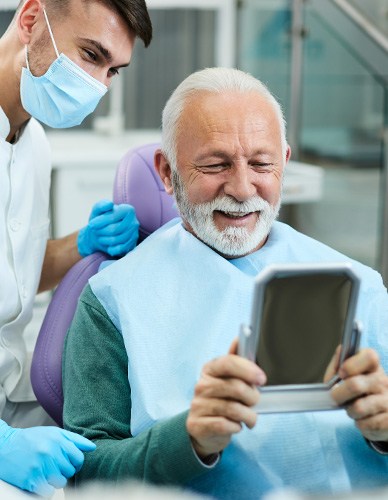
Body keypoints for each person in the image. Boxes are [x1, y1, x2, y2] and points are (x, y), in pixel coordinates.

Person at [62, 68, 388, 500]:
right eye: (216, 165)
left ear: (285, 163)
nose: (241, 188)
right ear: (166, 171)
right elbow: (86, 470)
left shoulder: (358, 286)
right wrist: (188, 440)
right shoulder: (112, 298)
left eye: (261, 163)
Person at [0, 0, 152, 496]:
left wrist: (81, 245)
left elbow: (15, 279)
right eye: (91, 55)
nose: (99, 86)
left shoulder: (33, 141)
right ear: (30, 21)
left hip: (13, 398)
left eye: (113, 71)